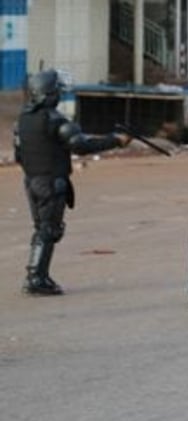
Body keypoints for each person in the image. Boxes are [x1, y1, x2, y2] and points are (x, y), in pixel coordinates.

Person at [13, 70, 131, 295]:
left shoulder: (23, 119)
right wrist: (114, 140)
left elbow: (19, 155)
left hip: (32, 181)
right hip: (50, 182)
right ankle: (36, 277)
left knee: (43, 229)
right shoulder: (55, 120)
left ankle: (37, 274)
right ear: (49, 94)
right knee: (49, 229)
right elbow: (81, 145)